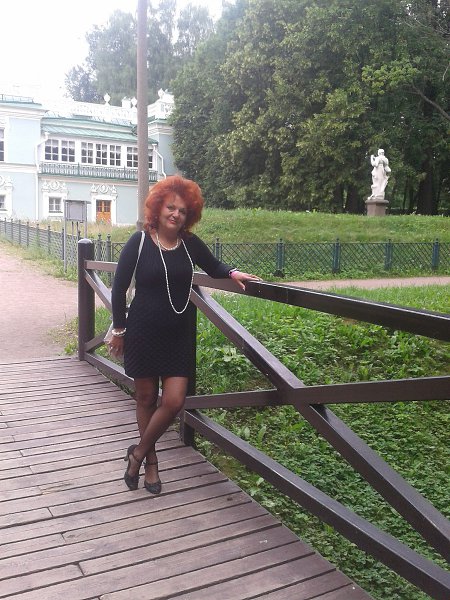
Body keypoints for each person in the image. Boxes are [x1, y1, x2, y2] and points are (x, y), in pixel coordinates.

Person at [109, 175, 261, 494]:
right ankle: (151, 463)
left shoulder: (189, 244)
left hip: (178, 334)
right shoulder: (139, 242)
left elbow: (215, 266)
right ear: (158, 208)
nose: (176, 214)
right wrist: (119, 330)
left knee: (174, 400)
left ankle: (136, 453)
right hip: (142, 331)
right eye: (170, 207)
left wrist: (233, 272)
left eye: (182, 210)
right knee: (146, 398)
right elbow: (119, 288)